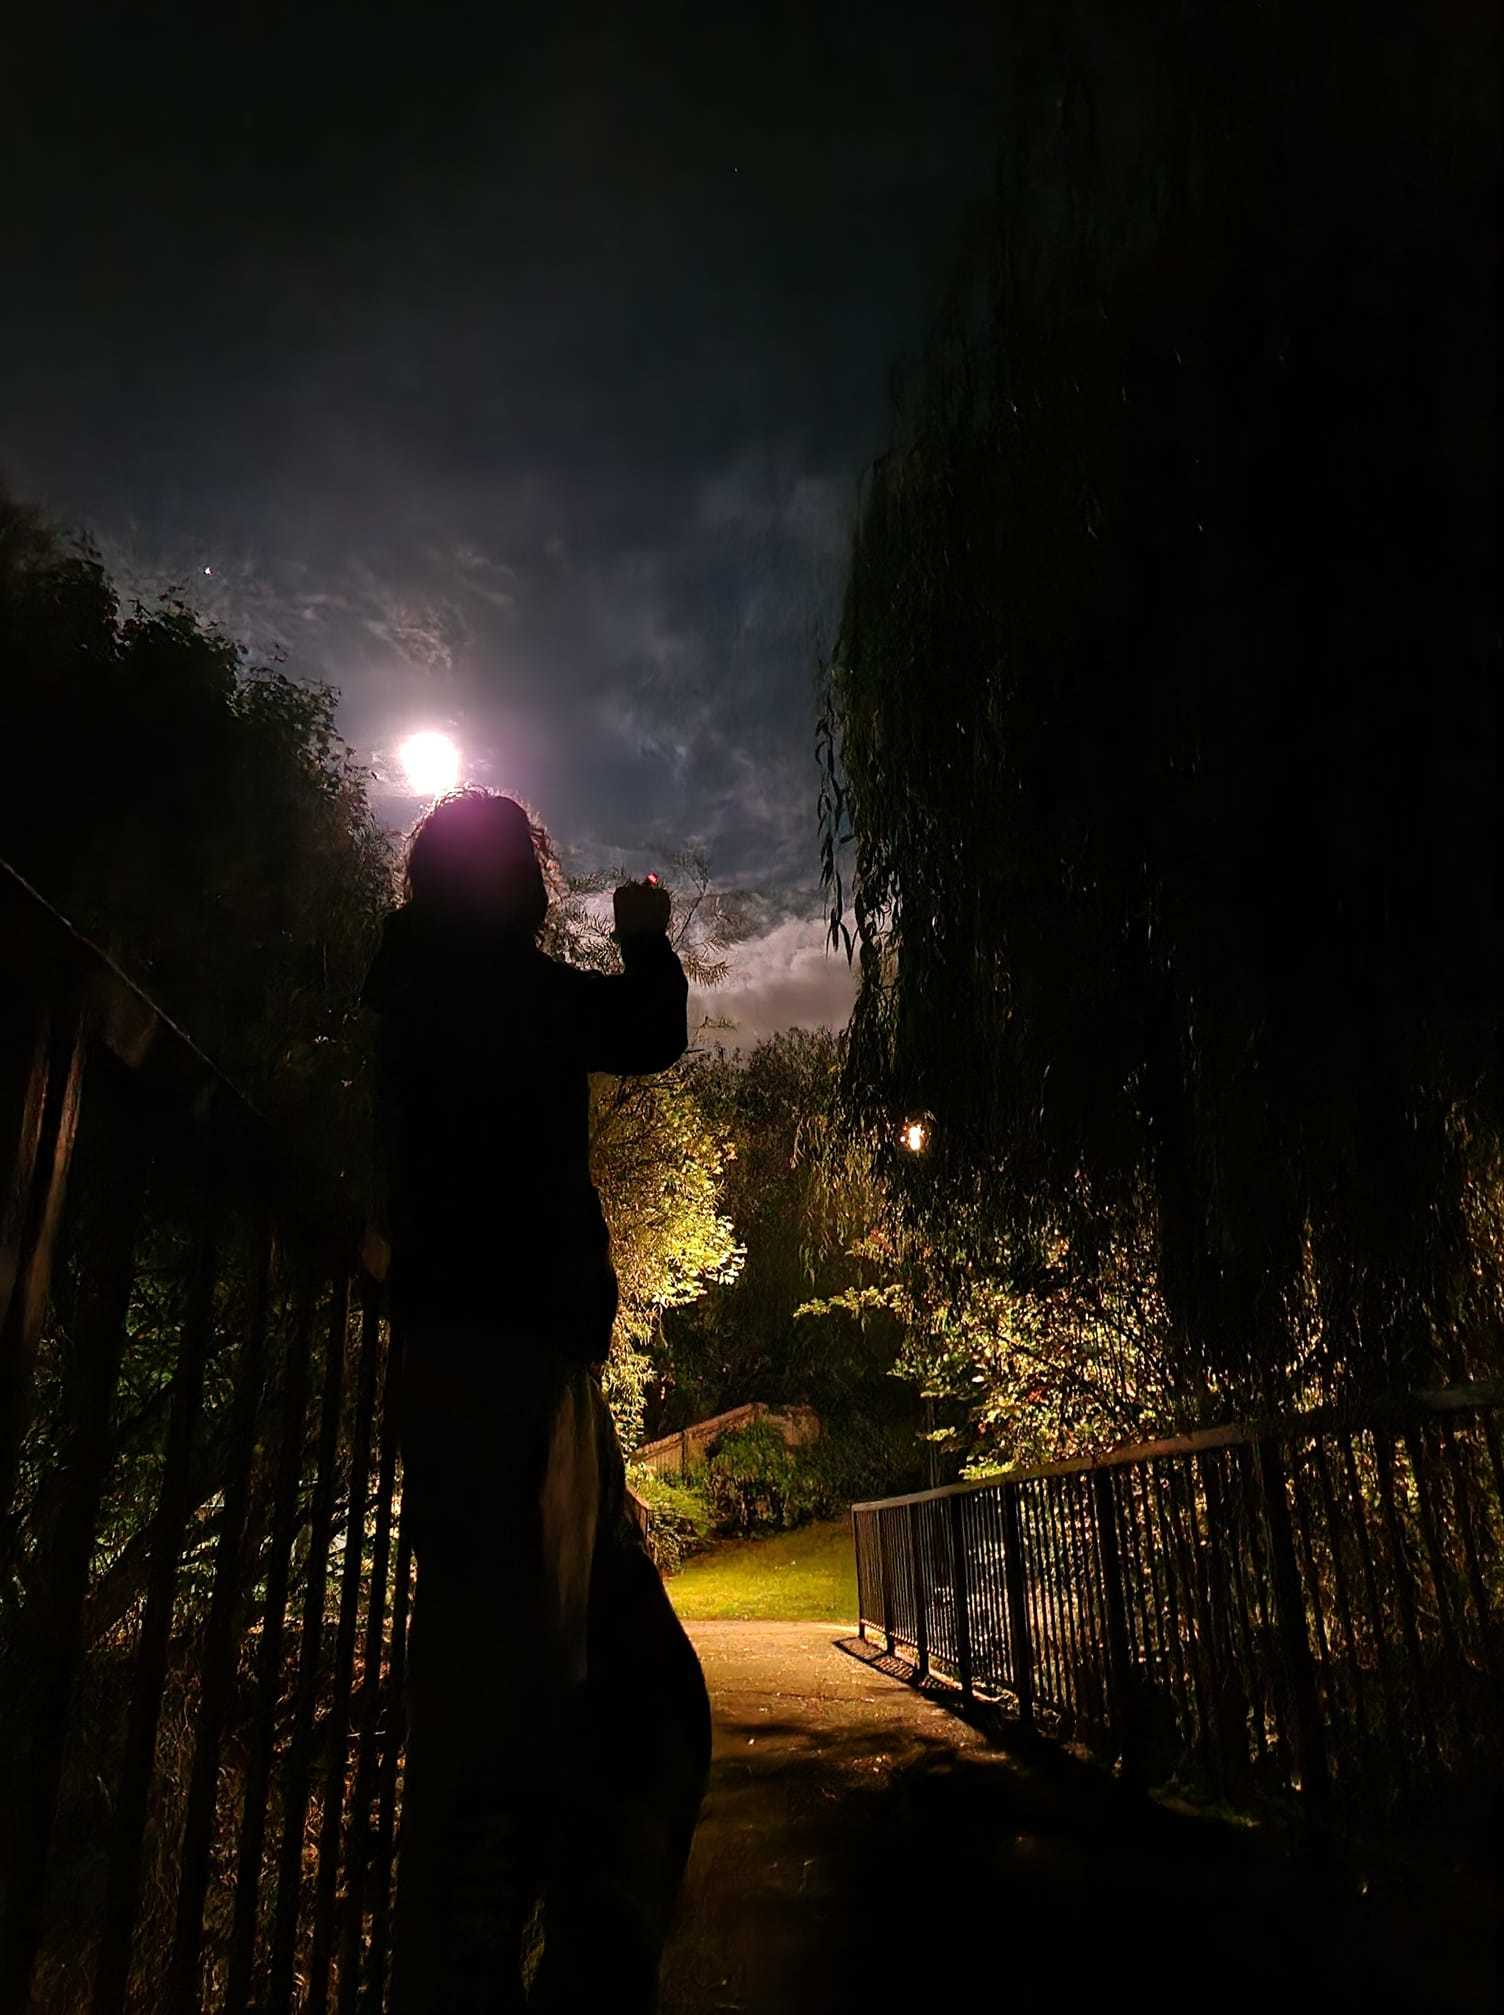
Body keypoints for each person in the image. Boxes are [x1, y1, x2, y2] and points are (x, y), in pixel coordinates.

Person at [363, 788, 711, 2015]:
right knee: (619, 1701)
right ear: (516, 880)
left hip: (454, 1359)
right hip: (528, 1370)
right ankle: (570, 1969)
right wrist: (645, 933)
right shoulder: (508, 993)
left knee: (488, 1691)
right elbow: (644, 1031)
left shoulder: (407, 988)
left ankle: (475, 1961)